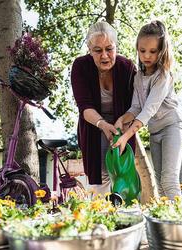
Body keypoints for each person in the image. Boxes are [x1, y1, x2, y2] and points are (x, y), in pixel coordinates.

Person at [112, 20, 182, 199]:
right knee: (160, 186)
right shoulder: (138, 77)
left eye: (153, 51)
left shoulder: (163, 76)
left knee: (169, 180)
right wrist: (123, 119)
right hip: (155, 133)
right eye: (142, 50)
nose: (147, 56)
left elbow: (148, 110)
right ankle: (166, 224)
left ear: (162, 51)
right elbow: (136, 107)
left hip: (171, 128)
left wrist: (126, 136)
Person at [71, 21, 136, 195]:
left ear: (116, 46)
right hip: (94, 125)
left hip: (123, 124)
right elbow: (84, 106)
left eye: (109, 48)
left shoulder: (127, 67)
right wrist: (102, 124)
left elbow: (136, 105)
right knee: (100, 177)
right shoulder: (80, 66)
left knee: (121, 173)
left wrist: (122, 127)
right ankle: (100, 216)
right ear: (89, 50)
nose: (105, 56)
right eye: (98, 50)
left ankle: (124, 217)